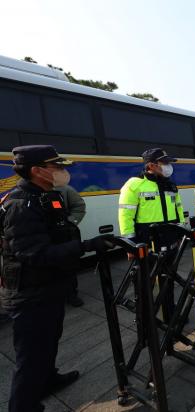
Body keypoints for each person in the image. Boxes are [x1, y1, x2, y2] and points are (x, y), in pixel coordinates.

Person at [0, 145, 112, 412]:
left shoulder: (46, 195)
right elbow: (35, 254)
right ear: (37, 171)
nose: (63, 172)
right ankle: (23, 406)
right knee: (31, 358)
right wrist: (85, 247)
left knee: (49, 341)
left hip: (50, 285)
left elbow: (60, 231)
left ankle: (48, 379)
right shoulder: (21, 204)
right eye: (57, 167)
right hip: (31, 293)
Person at [118, 148, 184, 245]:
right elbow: (125, 216)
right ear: (151, 165)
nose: (168, 166)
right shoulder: (133, 184)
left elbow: (178, 210)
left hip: (171, 239)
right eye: (164, 163)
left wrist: (181, 232)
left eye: (168, 163)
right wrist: (129, 243)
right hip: (147, 242)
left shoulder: (171, 185)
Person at [55, 184, 86, 307]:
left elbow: (79, 206)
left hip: (65, 237)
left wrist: (69, 223)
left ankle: (71, 295)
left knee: (68, 267)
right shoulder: (27, 193)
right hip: (45, 239)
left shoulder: (64, 189)